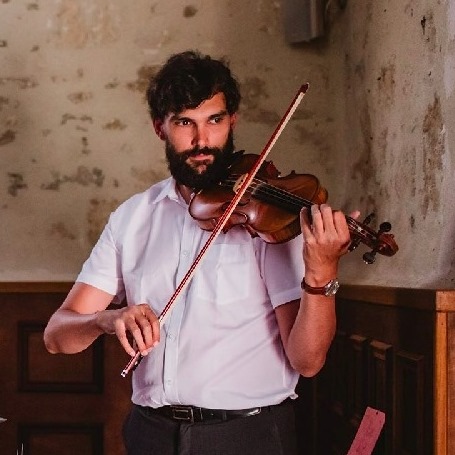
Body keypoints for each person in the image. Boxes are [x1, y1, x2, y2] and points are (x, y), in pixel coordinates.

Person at [44, 50, 354, 455]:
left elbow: (307, 361)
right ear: (161, 128)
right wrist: (108, 318)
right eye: (185, 123)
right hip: (150, 433)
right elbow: (57, 336)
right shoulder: (132, 218)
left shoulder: (269, 219)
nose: (202, 140)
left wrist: (321, 271)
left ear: (232, 122)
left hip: (247, 437)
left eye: (215, 120)